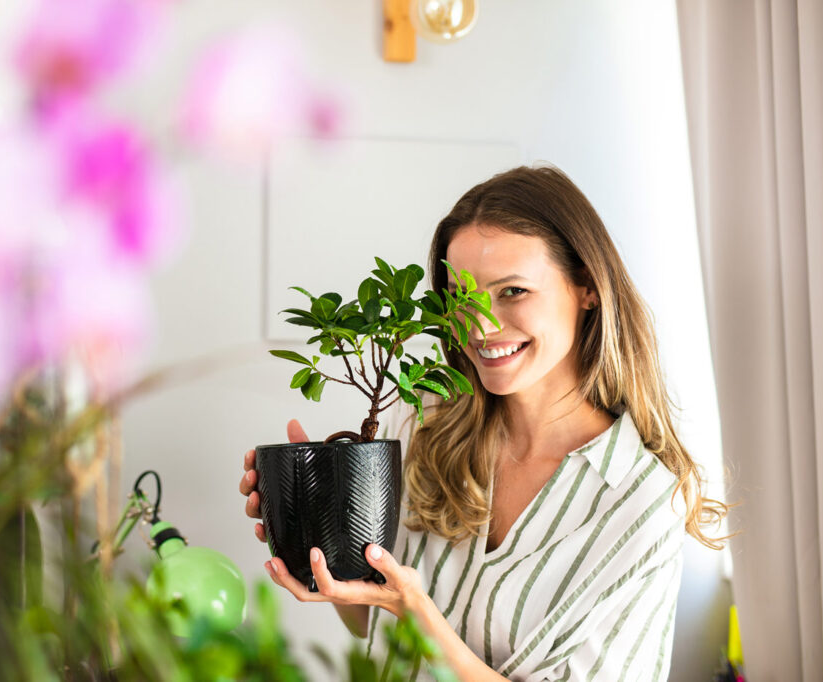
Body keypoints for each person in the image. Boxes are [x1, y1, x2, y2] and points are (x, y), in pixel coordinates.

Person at [239, 165, 731, 681]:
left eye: (513, 291)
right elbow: (369, 611)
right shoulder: (430, 427)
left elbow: (405, 611)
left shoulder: (641, 500)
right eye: (460, 296)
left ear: (587, 285)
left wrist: (419, 618)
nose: (480, 325)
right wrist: (318, 522)